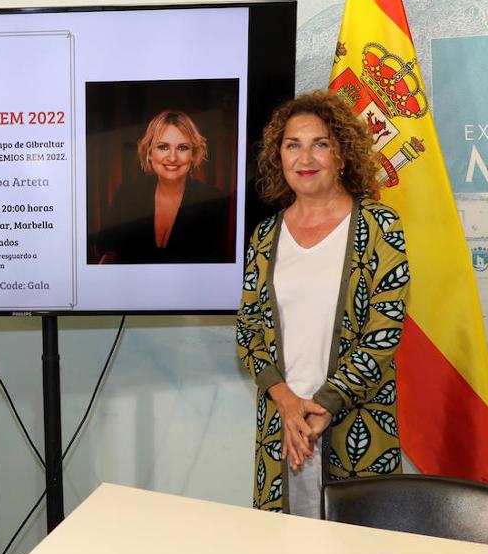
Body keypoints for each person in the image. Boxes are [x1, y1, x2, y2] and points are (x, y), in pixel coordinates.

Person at [235, 90, 409, 517]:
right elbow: (248, 331)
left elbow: (383, 333)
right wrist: (288, 403)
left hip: (357, 427)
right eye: (293, 144)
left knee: (361, 548)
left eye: (321, 144)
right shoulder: (264, 236)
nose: (305, 157)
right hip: (283, 426)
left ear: (343, 155)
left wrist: (323, 408)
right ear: (280, 156)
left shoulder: (378, 225)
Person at [96, 109, 231, 264]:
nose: (172, 157)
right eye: (163, 147)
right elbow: (107, 251)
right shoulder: (126, 195)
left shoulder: (213, 200)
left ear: (193, 154)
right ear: (149, 153)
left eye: (182, 148)